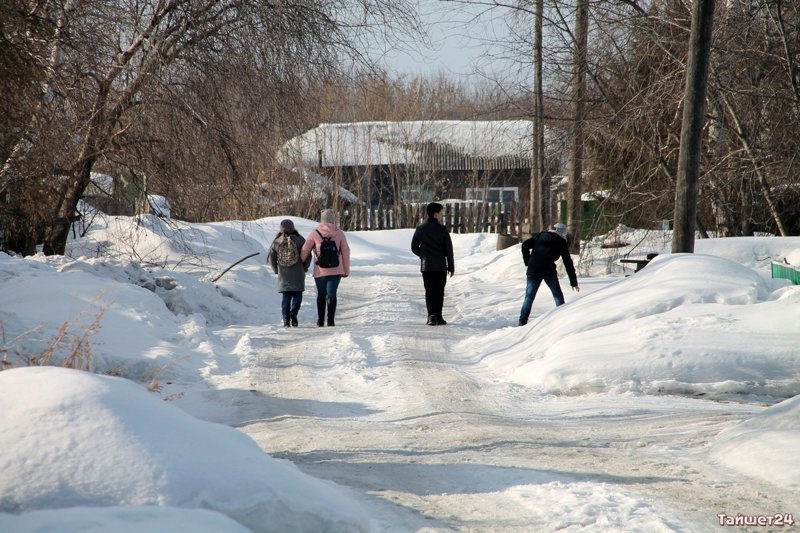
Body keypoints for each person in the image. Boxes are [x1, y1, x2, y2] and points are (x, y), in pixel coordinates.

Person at [518, 223, 579, 326]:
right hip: (548, 270)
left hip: (534, 269)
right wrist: (573, 282)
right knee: (557, 295)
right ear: (563, 232)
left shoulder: (540, 236)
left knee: (529, 297)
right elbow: (567, 262)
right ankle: (562, 319)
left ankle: (522, 321)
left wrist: (528, 261)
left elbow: (525, 245)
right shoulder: (561, 242)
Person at [301, 209, 350, 327]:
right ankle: (331, 320)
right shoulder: (339, 233)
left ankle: (321, 320)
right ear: (333, 220)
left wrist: (301, 263)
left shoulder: (315, 233)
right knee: (332, 294)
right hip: (336, 270)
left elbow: (305, 250)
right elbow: (345, 252)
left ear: (321, 220)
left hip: (320, 270)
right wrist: (346, 271)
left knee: (321, 295)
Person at [411, 202, 455, 326]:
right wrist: (451, 267)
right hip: (440, 266)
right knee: (439, 291)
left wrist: (423, 255)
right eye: (441, 212)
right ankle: (439, 315)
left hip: (427, 267)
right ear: (436, 214)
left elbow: (414, 247)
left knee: (429, 291)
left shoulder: (420, 229)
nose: (442, 215)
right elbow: (449, 250)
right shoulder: (442, 230)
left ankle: (431, 316)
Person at [268, 219, 312, 327]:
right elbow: (308, 255)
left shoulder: (277, 241)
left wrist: (276, 270)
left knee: (286, 297)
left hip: (284, 275)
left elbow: (271, 258)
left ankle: (286, 321)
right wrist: (305, 267)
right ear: (293, 227)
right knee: (297, 294)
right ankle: (294, 312)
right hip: (298, 273)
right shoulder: (300, 240)